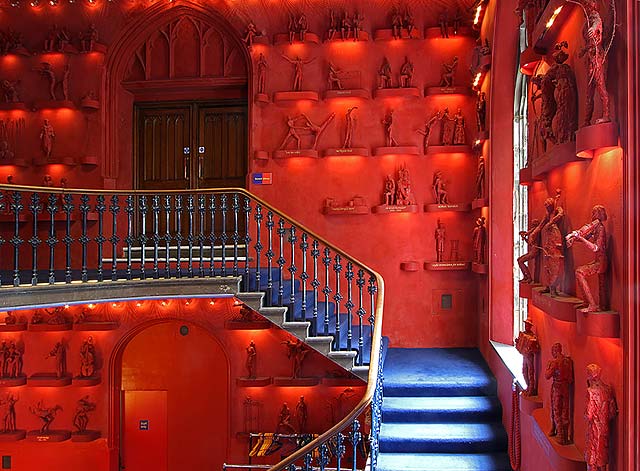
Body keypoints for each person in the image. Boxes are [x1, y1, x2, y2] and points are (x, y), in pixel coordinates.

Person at [566, 205, 608, 312]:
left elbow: (595, 247)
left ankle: (591, 304)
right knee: (602, 288)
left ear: (598, 214)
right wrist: (575, 238)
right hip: (599, 261)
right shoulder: (596, 228)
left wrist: (579, 237)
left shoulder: (601, 228)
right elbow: (585, 237)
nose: (592, 215)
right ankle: (594, 304)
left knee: (579, 272)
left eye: (594, 213)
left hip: (601, 262)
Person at [584, 364, 617, 471]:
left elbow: (588, 415)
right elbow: (612, 413)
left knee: (592, 457)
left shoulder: (591, 392)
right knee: (602, 454)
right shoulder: (608, 390)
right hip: (605, 428)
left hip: (594, 429)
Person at [545, 343, 574, 445]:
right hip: (565, 387)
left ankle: (560, 436)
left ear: (555, 351)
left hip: (557, 387)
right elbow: (570, 379)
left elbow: (547, 375)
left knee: (556, 410)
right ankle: (565, 436)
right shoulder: (568, 361)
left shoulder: (554, 362)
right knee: (565, 410)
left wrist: (548, 366)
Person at [514, 319, 540, 396]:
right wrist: (517, 342)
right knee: (524, 371)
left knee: (530, 372)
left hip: (529, 356)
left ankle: (531, 389)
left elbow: (536, 348)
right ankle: (528, 386)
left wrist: (532, 347)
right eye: (525, 325)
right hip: (524, 356)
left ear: (530, 326)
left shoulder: (532, 336)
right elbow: (520, 343)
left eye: (527, 325)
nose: (526, 326)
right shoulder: (523, 334)